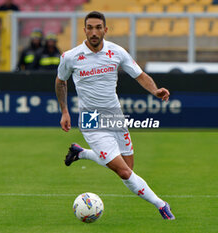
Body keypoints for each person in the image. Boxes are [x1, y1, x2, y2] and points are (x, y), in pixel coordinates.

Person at [55, 11, 175, 220]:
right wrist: (65, 111)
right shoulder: (71, 57)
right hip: (91, 119)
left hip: (114, 116)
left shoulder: (116, 52)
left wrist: (155, 91)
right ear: (84, 30)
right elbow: (60, 81)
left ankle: (80, 153)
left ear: (105, 30)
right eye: (90, 28)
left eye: (98, 27)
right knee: (124, 173)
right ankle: (162, 205)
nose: (94, 32)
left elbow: (140, 75)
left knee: (129, 168)